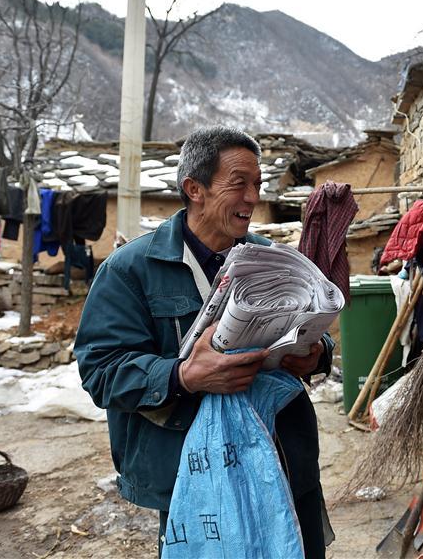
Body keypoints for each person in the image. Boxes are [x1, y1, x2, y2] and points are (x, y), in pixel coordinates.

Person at [75, 126, 334, 558]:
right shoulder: (130, 270)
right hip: (193, 474)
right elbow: (101, 371)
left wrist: (316, 353)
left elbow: (313, 330)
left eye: (257, 184)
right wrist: (183, 376)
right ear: (194, 188)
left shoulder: (273, 260)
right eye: (239, 183)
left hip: (280, 459)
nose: (252, 198)